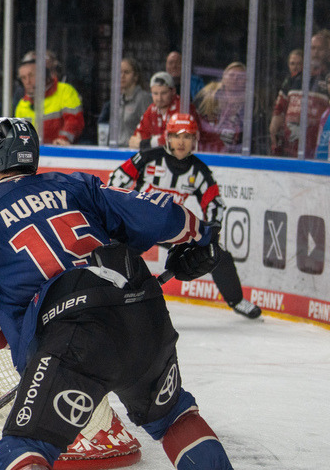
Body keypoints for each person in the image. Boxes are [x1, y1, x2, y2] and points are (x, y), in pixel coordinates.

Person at [0, 117, 306, 470]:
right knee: (172, 415)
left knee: (16, 454)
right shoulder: (77, 185)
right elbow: (174, 221)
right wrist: (195, 248)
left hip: (74, 334)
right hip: (143, 310)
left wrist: (40, 343)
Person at [109, 112, 261, 318]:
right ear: (168, 137)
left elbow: (214, 202)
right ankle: (105, 296)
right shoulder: (147, 157)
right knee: (108, 249)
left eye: (187, 136)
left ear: (194, 140)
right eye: (176, 136)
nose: (181, 142)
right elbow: (117, 180)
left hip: (169, 226)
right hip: (136, 223)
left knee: (219, 253)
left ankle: (236, 300)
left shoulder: (199, 170)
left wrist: (212, 230)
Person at [268, 40, 329, 158]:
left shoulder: (327, 79)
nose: (315, 53)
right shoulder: (293, 79)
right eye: (312, 48)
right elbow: (279, 110)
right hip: (290, 148)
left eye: (320, 49)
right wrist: (275, 128)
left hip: (317, 150)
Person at [14, 50, 84, 145]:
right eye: (23, 78)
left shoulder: (65, 91)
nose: (28, 81)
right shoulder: (22, 104)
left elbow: (74, 121)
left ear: (43, 75)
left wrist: (64, 139)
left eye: (31, 75)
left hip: (62, 153)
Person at [128, 71, 198, 151]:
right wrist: (142, 142)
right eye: (155, 93)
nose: (159, 98)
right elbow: (138, 136)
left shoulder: (183, 107)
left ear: (173, 91)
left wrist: (147, 143)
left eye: (164, 93)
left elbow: (175, 139)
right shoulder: (152, 109)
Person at [193, 62, 247, 154]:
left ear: (246, 81)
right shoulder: (205, 99)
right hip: (204, 151)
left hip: (233, 156)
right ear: (223, 78)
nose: (235, 79)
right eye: (231, 75)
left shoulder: (251, 107)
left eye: (240, 77)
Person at [97, 57, 152, 147]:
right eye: (119, 72)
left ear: (135, 76)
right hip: (116, 150)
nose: (122, 76)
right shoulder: (117, 101)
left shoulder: (143, 99)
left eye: (126, 72)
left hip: (134, 151)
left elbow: (149, 127)